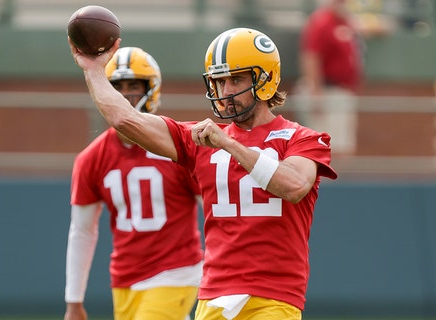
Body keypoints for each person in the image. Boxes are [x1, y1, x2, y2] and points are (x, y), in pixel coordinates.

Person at [70, 27, 337, 320]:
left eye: (236, 79)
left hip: (272, 297)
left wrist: (229, 144)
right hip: (214, 297)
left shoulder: (302, 137)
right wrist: (94, 70)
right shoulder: (199, 138)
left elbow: (294, 185)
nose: (227, 92)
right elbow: (125, 119)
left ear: (265, 79)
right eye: (220, 81)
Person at [64, 47, 203, 320]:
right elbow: (82, 230)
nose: (125, 95)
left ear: (152, 90)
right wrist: (73, 299)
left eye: (133, 86)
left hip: (176, 271)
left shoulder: (178, 145)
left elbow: (214, 209)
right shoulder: (92, 158)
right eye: (117, 87)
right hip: (125, 278)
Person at [295, 0, 366, 155]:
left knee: (343, 148)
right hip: (327, 91)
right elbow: (311, 57)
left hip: (342, 91)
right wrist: (316, 94)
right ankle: (323, 181)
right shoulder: (322, 22)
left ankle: (337, 180)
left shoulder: (345, 21)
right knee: (325, 149)